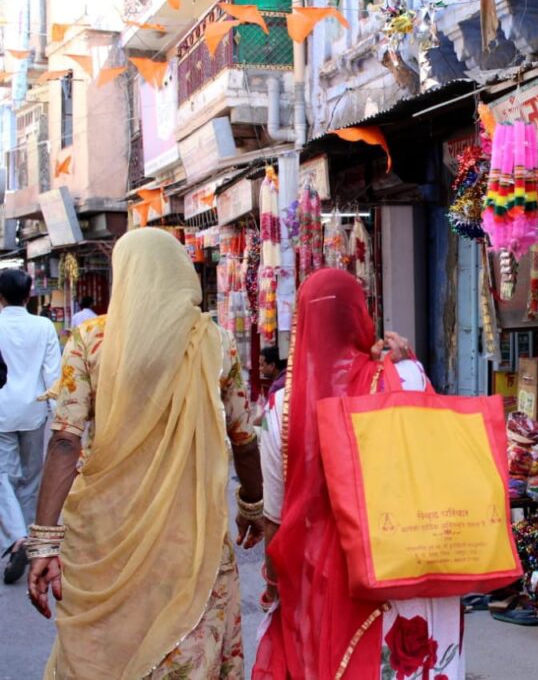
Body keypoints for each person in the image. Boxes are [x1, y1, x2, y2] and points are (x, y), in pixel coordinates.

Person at [26, 228, 265, 678]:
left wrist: (44, 541)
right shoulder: (214, 343)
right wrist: (252, 505)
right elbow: (243, 438)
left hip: (106, 532)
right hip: (191, 534)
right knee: (188, 642)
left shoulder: (90, 342)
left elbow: (65, 439)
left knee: (108, 653)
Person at [253, 269, 465, 680]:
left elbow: (276, 519)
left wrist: (277, 586)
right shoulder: (404, 377)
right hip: (404, 565)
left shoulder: (280, 406)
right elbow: (435, 457)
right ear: (361, 316)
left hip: (323, 581)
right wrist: (409, 364)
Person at [0, 269, 61, 585]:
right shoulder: (43, 326)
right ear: (29, 295)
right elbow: (53, 374)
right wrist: (59, 415)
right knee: (31, 478)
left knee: (3, 477)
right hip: (35, 410)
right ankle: (23, 539)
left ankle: (16, 538)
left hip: (1, 411)